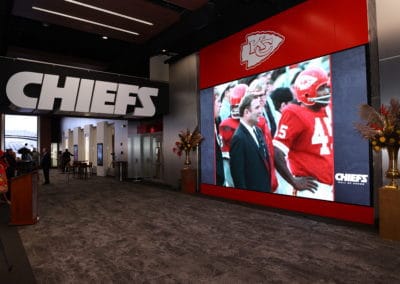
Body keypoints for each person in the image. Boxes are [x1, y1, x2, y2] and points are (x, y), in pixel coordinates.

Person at [273, 67, 334, 201]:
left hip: (330, 187)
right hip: (311, 188)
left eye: (327, 87)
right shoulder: (294, 113)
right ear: (307, 92)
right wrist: (293, 181)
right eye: (322, 88)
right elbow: (276, 151)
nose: (327, 91)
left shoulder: (326, 110)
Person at [229, 94, 274, 192]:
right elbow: (238, 176)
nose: (260, 111)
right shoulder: (238, 138)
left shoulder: (258, 130)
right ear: (246, 112)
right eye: (257, 108)